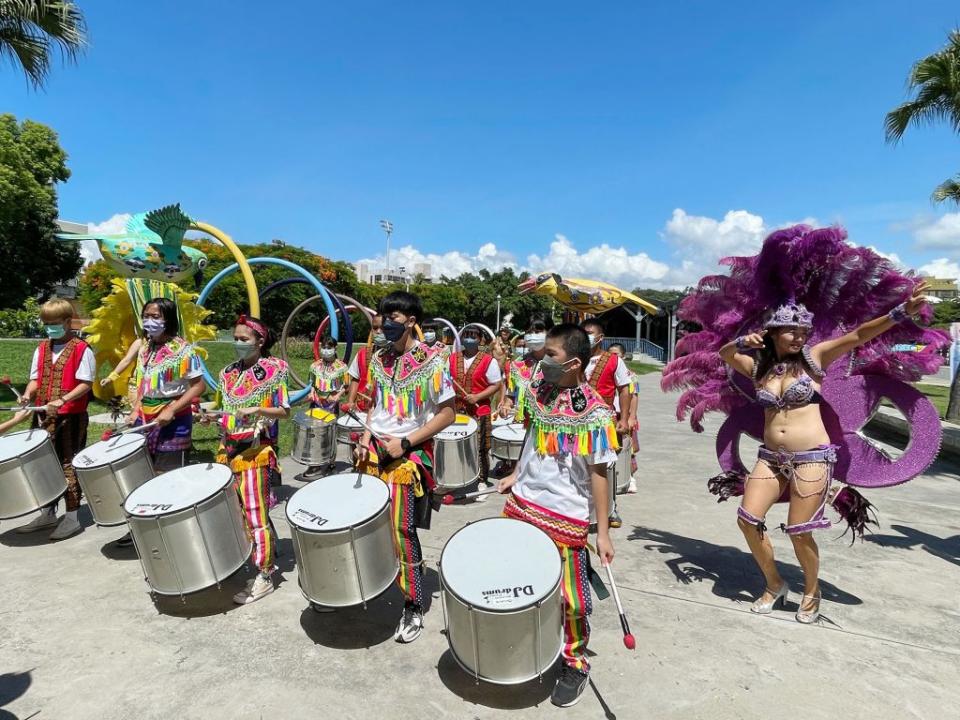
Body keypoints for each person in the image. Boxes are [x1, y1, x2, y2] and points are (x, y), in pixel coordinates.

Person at [719, 285, 929, 623]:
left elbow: (859, 335)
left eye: (804, 331)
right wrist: (743, 342)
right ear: (772, 333)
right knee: (747, 520)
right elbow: (726, 354)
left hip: (812, 459)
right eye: (791, 331)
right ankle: (775, 584)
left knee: (800, 531)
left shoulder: (813, 359)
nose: (799, 337)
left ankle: (811, 591)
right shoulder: (759, 368)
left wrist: (901, 312)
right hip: (770, 459)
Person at [497, 324, 618, 708]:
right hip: (523, 502)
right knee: (520, 581)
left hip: (565, 514)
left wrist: (602, 532)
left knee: (573, 600)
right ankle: (529, 644)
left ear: (574, 363)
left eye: (551, 354)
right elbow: (532, 436)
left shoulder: (596, 413)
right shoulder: (538, 391)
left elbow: (600, 475)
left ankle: (575, 661)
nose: (541, 359)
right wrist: (517, 472)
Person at [355, 291, 455, 643]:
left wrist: (407, 442)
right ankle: (378, 582)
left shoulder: (432, 360)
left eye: (393, 318)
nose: (385, 324)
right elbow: (376, 406)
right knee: (371, 528)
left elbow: (447, 414)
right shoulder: (379, 359)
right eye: (383, 318)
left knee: (401, 531)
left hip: (404, 459)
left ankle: (413, 602)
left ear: (411, 321)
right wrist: (367, 434)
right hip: (374, 456)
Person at [209, 315, 290, 605]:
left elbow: (284, 410)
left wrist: (258, 409)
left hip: (256, 451)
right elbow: (223, 411)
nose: (238, 343)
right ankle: (252, 557)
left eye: (244, 339)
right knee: (238, 512)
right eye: (236, 338)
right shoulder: (227, 373)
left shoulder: (275, 370)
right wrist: (211, 419)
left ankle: (265, 574)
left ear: (260, 340)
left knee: (256, 515)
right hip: (228, 449)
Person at [14, 299, 96, 540]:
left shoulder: (82, 349)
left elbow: (85, 383)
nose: (50, 328)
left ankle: (71, 517)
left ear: (68, 322)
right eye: (46, 323)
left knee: (68, 464)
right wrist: (28, 394)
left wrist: (63, 400)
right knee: (42, 464)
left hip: (70, 417)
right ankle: (47, 512)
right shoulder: (41, 348)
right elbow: (35, 379)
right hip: (43, 415)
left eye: (55, 323)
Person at [127, 297, 205, 472]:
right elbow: (145, 384)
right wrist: (135, 410)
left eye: (155, 317)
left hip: (174, 418)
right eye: (146, 316)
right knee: (143, 470)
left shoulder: (183, 350)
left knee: (168, 474)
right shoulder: (146, 348)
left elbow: (199, 386)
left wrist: (171, 410)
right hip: (145, 416)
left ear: (168, 320)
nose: (149, 321)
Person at [579, 319, 633, 528]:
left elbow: (625, 389)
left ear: (600, 337)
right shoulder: (575, 359)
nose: (586, 337)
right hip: (577, 421)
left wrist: (624, 418)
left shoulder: (613, 361)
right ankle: (582, 508)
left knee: (605, 465)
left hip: (604, 422)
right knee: (579, 465)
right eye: (583, 333)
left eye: (590, 333)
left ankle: (611, 508)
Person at [448, 326, 503, 497]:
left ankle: (481, 481)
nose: (469, 339)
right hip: (457, 411)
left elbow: (496, 384)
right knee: (456, 447)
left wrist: (478, 397)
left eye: (473, 336)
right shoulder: (452, 359)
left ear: (481, 340)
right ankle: (458, 479)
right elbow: (445, 380)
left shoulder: (488, 360)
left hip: (480, 410)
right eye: (466, 336)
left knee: (480, 448)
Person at [303, 337, 349, 477]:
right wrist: (311, 393)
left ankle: (330, 462)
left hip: (331, 405)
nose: (326, 350)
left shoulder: (341, 367)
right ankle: (314, 464)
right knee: (314, 433)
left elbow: (346, 386)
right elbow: (311, 383)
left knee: (330, 434)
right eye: (324, 346)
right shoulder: (315, 366)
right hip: (316, 403)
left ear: (335, 349)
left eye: (329, 347)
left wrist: (338, 395)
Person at [609, 343, 640, 494]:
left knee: (629, 446)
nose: (613, 357)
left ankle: (630, 476)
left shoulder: (631, 375)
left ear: (623, 356)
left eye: (616, 355)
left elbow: (634, 396)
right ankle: (614, 476)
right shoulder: (606, 372)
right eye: (610, 355)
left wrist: (631, 417)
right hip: (611, 414)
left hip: (624, 415)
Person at [343, 313, 385, 415]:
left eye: (383, 328)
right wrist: (350, 402)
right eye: (375, 328)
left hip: (385, 413)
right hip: (362, 409)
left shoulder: (399, 355)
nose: (378, 331)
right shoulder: (362, 353)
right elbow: (355, 378)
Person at [100, 336, 143, 407]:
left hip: (161, 387)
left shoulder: (167, 345)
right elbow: (126, 360)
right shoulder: (140, 343)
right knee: (138, 414)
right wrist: (110, 378)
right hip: (139, 386)